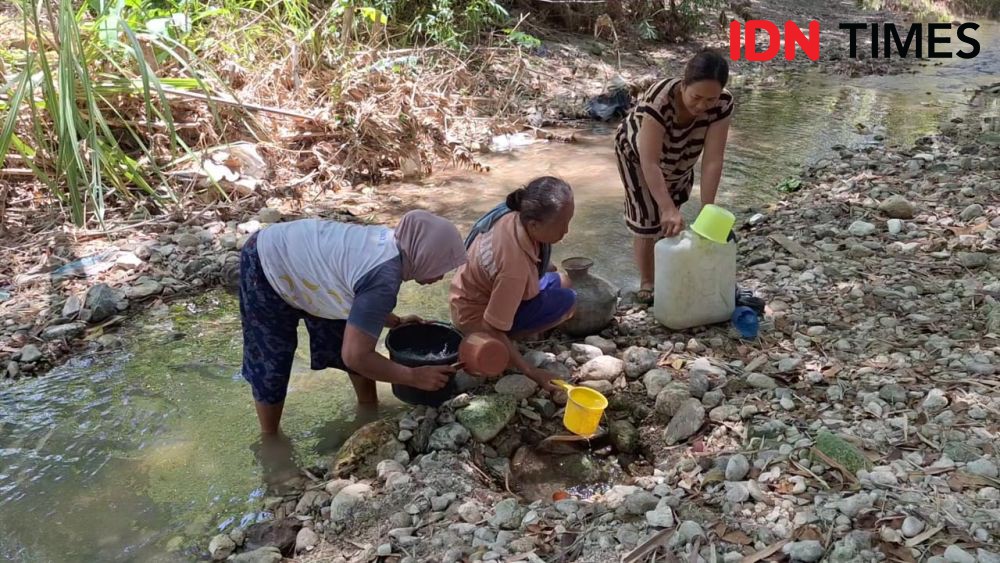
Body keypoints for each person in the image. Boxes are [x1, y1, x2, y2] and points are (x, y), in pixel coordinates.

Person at [239, 210, 467, 435]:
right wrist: (413, 376)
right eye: (441, 265)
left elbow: (362, 300)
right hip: (266, 262)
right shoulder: (384, 277)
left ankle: (368, 409)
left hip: (310, 267)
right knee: (272, 359)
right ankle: (270, 439)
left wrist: (395, 321)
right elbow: (356, 356)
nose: (441, 276)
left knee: (350, 337)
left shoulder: (396, 243)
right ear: (424, 254)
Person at [614, 49, 734, 304]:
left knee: (672, 215)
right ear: (683, 84)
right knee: (647, 216)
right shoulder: (659, 100)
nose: (702, 106)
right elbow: (650, 161)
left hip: (683, 152)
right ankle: (648, 282)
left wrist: (707, 208)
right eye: (696, 97)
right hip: (637, 153)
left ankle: (667, 269)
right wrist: (665, 207)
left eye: (710, 100)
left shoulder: (722, 104)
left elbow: (713, 160)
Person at [450, 176, 577, 391]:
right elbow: (492, 325)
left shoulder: (511, 213)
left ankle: (514, 330)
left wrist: (544, 265)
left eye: (568, 222)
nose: (566, 231)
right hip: (475, 317)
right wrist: (530, 370)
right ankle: (510, 339)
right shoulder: (514, 269)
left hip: (464, 294)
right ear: (534, 225)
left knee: (563, 281)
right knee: (569, 301)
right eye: (561, 225)